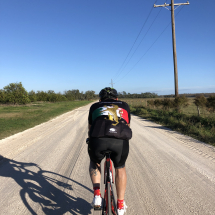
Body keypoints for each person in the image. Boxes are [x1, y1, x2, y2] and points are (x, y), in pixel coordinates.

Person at [87, 87, 132, 215]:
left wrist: (91, 140)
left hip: (98, 140)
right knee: (120, 167)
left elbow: (90, 130)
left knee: (94, 162)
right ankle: (120, 205)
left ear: (100, 99)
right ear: (117, 98)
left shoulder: (95, 106)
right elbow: (127, 127)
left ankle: (97, 195)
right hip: (119, 142)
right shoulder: (124, 105)